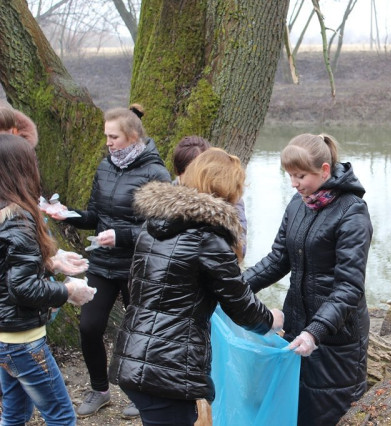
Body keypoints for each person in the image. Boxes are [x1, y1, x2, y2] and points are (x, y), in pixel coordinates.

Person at [108, 147, 284, 426]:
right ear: (226, 190)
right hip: (168, 369)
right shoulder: (209, 239)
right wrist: (270, 320)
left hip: (134, 354)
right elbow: (241, 305)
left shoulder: (152, 227)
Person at [49, 104, 171, 419]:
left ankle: (142, 393)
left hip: (138, 265)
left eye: (113, 137)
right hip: (102, 263)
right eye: (106, 136)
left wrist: (122, 236)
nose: (108, 143)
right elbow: (94, 216)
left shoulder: (156, 173)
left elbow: (164, 226)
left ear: (132, 136)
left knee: (140, 333)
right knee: (89, 327)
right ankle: (100, 389)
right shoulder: (105, 166)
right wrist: (67, 214)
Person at [243, 133, 373, 425]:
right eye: (290, 175)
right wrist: (234, 287)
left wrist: (315, 331)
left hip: (337, 338)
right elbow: (278, 259)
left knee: (329, 415)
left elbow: (349, 287)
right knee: (296, 410)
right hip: (297, 328)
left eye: (300, 176)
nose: (294, 183)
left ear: (324, 171)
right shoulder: (297, 203)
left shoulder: (352, 211)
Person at [0, 134, 95, 425]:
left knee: (15, 414)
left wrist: (51, 262)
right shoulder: (18, 219)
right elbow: (22, 287)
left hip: (6, 338)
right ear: (20, 169)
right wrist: (68, 290)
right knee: (62, 417)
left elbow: (7, 270)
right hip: (22, 341)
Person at [172, 135, 248, 254]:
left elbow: (239, 248)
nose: (189, 177)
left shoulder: (232, 200)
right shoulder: (167, 199)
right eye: (185, 171)